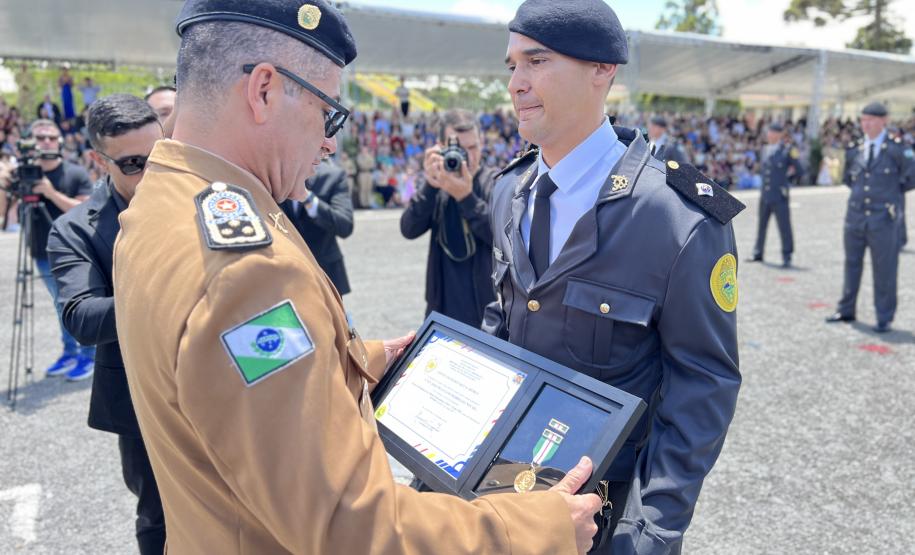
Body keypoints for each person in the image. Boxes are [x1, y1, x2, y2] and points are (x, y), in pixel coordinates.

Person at [113, 1, 600, 553]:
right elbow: (350, 525)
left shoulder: (161, 200)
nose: (328, 142)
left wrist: (352, 360)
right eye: (329, 113)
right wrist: (538, 528)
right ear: (265, 90)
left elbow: (217, 385)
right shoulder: (248, 274)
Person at [486, 0, 745, 552]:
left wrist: (648, 531)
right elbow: (500, 323)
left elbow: (702, 383)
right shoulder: (508, 190)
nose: (517, 84)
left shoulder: (678, 217)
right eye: (512, 66)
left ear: (603, 70)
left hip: (604, 513)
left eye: (537, 62)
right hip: (503, 491)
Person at [47, 94, 166, 554]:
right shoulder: (74, 229)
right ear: (100, 161)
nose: (153, 173)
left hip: (220, 384)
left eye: (161, 156)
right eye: (134, 163)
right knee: (159, 518)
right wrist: (170, 294)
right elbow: (81, 316)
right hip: (142, 400)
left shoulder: (204, 197)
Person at [400, 109, 498, 327]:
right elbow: (408, 229)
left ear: (481, 143)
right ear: (440, 147)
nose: (468, 157)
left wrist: (466, 198)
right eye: (460, 149)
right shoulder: (437, 183)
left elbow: (501, 236)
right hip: (440, 308)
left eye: (473, 147)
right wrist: (430, 186)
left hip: (486, 312)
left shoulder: (495, 181)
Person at [826, 102, 915, 333]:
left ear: (884, 120)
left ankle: (884, 317)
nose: (865, 124)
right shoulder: (855, 149)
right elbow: (849, 178)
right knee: (851, 264)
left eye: (871, 119)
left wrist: (887, 196)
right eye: (863, 119)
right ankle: (846, 309)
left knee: (884, 269)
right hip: (855, 217)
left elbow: (910, 178)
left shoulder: (897, 149)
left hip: (883, 219)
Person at [25, 119, 96, 379]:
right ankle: (69, 352)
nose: (46, 142)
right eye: (40, 138)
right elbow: (4, 214)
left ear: (59, 141)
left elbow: (84, 211)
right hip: (40, 252)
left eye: (51, 138)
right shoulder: (25, 174)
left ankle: (89, 356)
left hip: (72, 252)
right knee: (59, 306)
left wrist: (50, 193)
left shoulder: (74, 172)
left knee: (77, 305)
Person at [280, 157, 354, 295]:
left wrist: (308, 199)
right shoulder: (273, 174)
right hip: (285, 275)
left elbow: (345, 226)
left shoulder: (332, 176)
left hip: (325, 272)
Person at [748, 122, 803, 268]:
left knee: (784, 226)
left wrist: (786, 182)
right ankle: (758, 252)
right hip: (765, 194)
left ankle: (787, 255)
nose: (769, 135)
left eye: (773, 132)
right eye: (769, 132)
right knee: (761, 225)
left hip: (779, 195)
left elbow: (800, 170)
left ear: (780, 134)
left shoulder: (788, 150)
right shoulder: (765, 149)